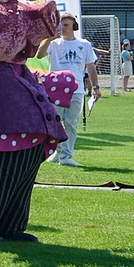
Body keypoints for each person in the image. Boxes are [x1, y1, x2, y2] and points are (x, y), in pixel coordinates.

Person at [43, 20, 95, 166]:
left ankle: (66, 156)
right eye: (60, 25)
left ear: (74, 26)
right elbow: (39, 54)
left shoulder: (84, 44)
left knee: (71, 123)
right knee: (55, 122)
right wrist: (49, 38)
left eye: (65, 25)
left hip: (77, 89)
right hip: (56, 89)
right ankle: (56, 153)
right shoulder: (54, 44)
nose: (62, 28)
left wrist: (95, 86)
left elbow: (90, 66)